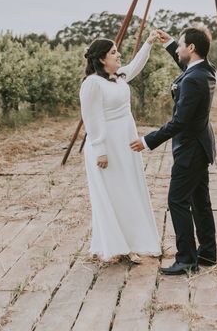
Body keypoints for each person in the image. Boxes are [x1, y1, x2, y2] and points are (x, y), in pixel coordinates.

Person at [130, 26, 217, 275]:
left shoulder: (194, 79)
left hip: (189, 149)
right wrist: (169, 43)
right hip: (201, 147)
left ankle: (187, 258)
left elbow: (180, 122)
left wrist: (147, 141)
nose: (178, 49)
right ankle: (208, 253)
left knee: (177, 201)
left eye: (180, 45)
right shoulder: (205, 70)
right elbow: (187, 71)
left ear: (191, 48)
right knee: (200, 201)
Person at [79, 30, 162, 263]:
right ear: (102, 59)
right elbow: (92, 119)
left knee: (128, 191)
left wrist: (148, 43)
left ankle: (131, 243)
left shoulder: (120, 77)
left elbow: (136, 65)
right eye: (113, 52)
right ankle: (113, 246)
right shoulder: (92, 84)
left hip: (125, 141)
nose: (119, 55)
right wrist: (101, 150)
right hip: (106, 145)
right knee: (110, 194)